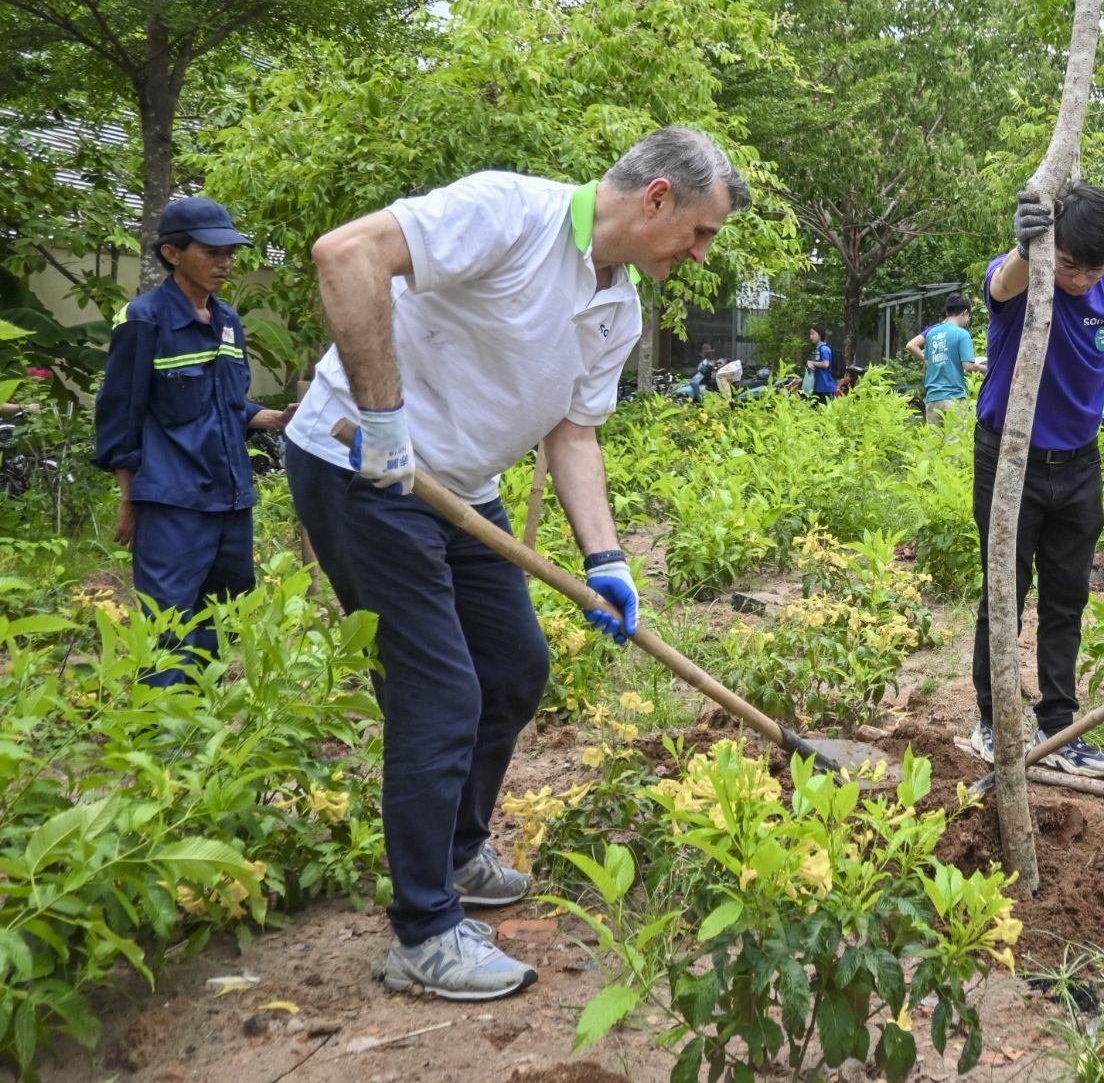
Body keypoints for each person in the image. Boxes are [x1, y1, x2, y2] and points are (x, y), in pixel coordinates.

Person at [284, 127, 749, 1001]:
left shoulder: (621, 308)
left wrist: (606, 558)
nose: (699, 253)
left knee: (514, 668)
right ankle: (424, 935)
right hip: (363, 466)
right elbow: (346, 254)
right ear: (656, 198)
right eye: (699, 233)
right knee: (439, 690)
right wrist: (383, 417)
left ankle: (456, 852)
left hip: (461, 485)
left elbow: (573, 432)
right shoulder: (509, 212)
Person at [971, 184, 1104, 779]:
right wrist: (1029, 249)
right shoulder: (1028, 273)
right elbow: (1000, 285)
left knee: (1067, 597)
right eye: (1070, 264)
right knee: (1004, 592)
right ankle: (993, 721)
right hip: (1009, 457)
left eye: (1093, 268)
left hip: (1079, 463)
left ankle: (1058, 725)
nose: (1080, 279)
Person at [93, 197, 297, 686]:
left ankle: (196, 722)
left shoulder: (228, 321)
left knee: (221, 611)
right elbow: (121, 413)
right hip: (172, 500)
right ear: (172, 253)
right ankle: (160, 736)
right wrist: (128, 497)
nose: (225, 262)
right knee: (167, 622)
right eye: (212, 251)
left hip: (230, 499)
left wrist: (275, 418)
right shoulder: (144, 320)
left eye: (230, 251)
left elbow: (228, 403)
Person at [906, 294, 984, 424]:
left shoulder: (931, 334)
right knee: (954, 442)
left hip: (932, 399)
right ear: (965, 313)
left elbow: (924, 356)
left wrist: (927, 361)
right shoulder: (962, 334)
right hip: (953, 398)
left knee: (934, 442)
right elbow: (968, 366)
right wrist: (985, 368)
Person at [805, 327, 838, 401]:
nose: (811, 337)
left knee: (826, 410)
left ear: (820, 335)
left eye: (813, 334)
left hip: (826, 386)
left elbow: (826, 364)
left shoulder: (824, 349)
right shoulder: (819, 348)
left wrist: (812, 363)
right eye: (810, 334)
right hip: (819, 386)